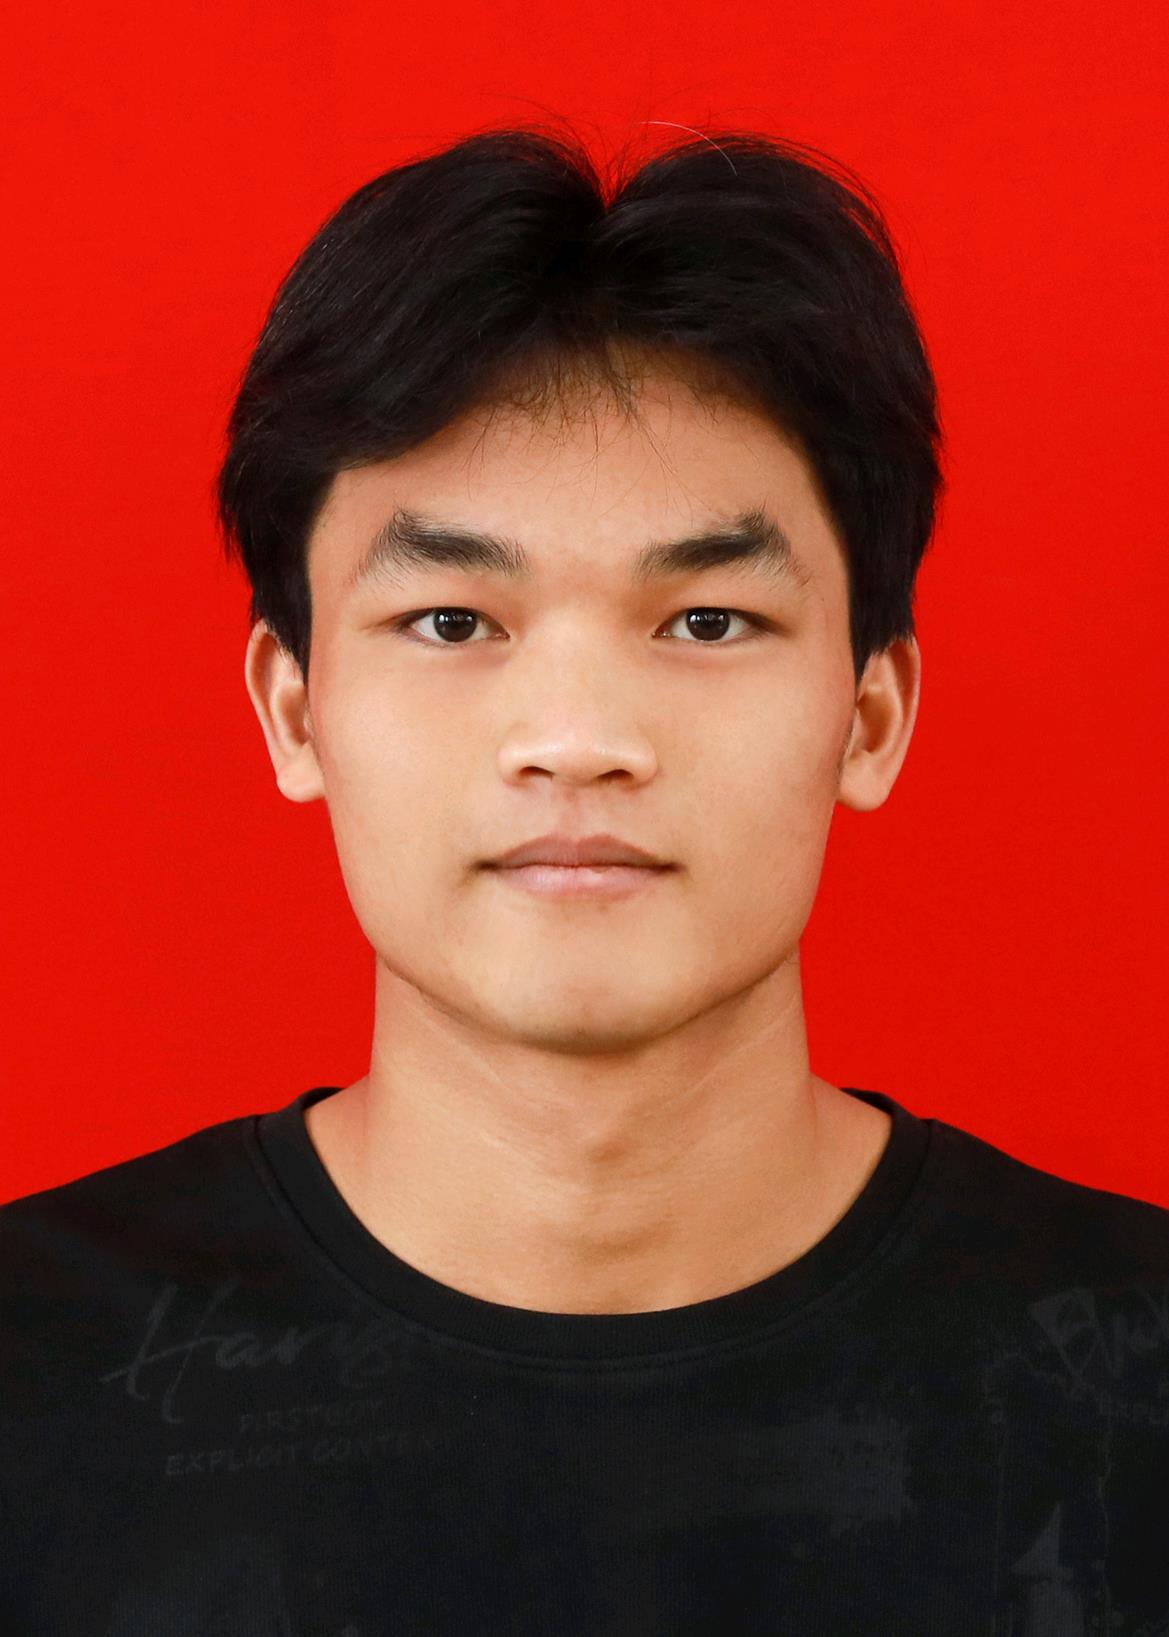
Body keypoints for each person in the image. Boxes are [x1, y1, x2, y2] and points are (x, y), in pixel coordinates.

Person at [2, 120, 1166, 1636]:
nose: (576, 741)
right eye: (449, 622)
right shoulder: (31, 1369)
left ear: (871, 715)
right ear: (292, 711)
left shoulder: (1127, 1376)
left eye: (705, 622)